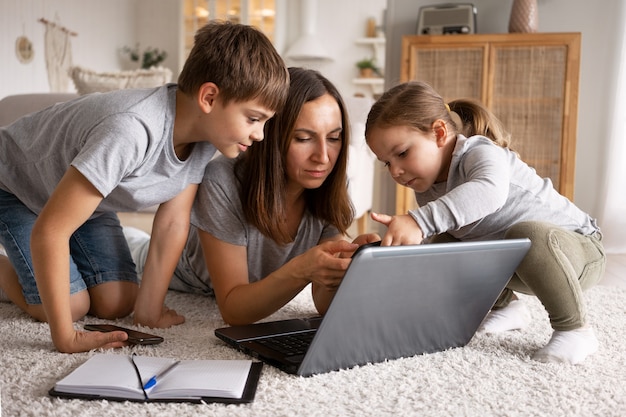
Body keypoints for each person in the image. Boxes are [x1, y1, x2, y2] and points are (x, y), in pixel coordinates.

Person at [0, 21, 289, 353]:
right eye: (254, 119)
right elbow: (50, 231)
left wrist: (148, 312)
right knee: (71, 305)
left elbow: (172, 222)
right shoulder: (130, 131)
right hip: (14, 188)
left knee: (117, 301)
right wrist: (65, 336)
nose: (260, 134)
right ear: (208, 97)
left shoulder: (206, 136)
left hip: (87, 199)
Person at [364, 81, 606, 365]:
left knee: (527, 233)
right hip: (520, 263)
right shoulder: (426, 187)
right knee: (445, 242)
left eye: (402, 153)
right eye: (386, 163)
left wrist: (419, 221)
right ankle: (506, 307)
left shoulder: (479, 152)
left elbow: (488, 193)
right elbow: (447, 234)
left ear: (439, 133)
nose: (395, 170)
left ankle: (575, 329)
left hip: (579, 253)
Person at [127, 67, 379, 327]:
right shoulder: (222, 181)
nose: (323, 157)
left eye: (335, 138)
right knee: (118, 279)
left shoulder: (331, 185)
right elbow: (234, 310)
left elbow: (323, 301)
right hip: (164, 268)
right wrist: (302, 269)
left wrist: (348, 264)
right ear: (270, 136)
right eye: (304, 138)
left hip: (244, 285)